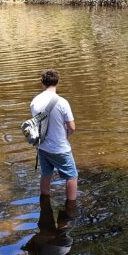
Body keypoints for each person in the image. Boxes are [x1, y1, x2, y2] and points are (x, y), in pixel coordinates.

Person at [30, 69, 78, 201]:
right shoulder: (62, 102)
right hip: (60, 148)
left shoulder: (35, 101)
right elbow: (72, 127)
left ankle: (44, 201)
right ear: (58, 82)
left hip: (42, 147)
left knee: (46, 174)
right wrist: (65, 136)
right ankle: (71, 206)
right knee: (72, 176)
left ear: (42, 82)